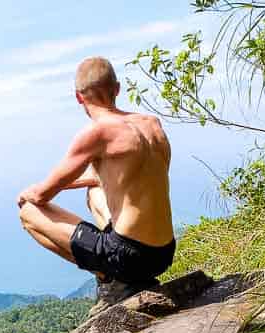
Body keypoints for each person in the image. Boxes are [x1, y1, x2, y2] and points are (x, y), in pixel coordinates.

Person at [17, 56, 175, 315]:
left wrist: (29, 193)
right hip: (164, 252)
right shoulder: (151, 125)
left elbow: (44, 195)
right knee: (94, 191)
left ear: (79, 97)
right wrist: (70, 184)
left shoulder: (97, 133)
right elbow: (129, 178)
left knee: (28, 212)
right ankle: (116, 272)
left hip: (128, 257)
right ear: (117, 89)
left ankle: (107, 277)